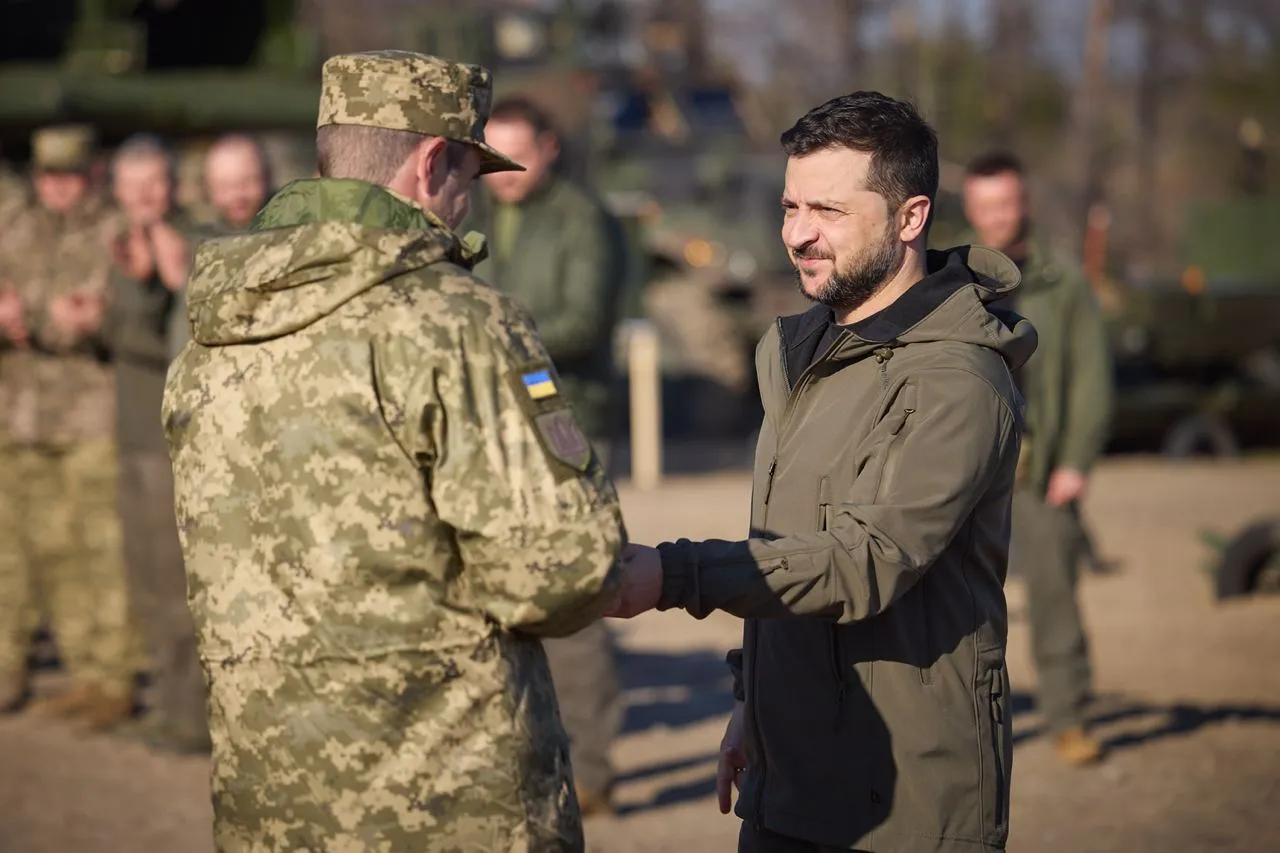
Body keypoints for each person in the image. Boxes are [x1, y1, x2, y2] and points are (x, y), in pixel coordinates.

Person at [162, 50, 625, 851]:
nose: (467, 198)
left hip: (269, 803)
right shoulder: (459, 321)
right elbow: (561, 570)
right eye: (469, 172)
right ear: (431, 160)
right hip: (451, 803)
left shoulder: (211, 331)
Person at [608, 92, 1036, 853]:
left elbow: (862, 562)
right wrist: (754, 696)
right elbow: (787, 539)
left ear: (909, 218)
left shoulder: (957, 381)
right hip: (785, 781)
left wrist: (672, 576)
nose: (797, 234)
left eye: (828, 211)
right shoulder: (792, 352)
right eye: (789, 207)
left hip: (904, 801)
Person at [468, 94, 628, 816]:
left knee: (576, 593)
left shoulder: (582, 219)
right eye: (490, 156)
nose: (502, 170)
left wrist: (491, 339)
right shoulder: (473, 213)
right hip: (490, 427)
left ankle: (591, 769)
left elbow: (585, 319)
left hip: (566, 424)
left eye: (516, 153)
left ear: (551, 145)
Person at [961, 150, 1114, 766]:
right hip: (967, 474)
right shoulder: (950, 277)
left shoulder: (1063, 282)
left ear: (1023, 203)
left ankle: (1069, 716)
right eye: (983, 207)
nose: (995, 218)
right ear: (969, 209)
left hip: (1039, 471)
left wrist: (1075, 460)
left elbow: (1091, 380)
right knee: (958, 608)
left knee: (1054, 596)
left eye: (1005, 204)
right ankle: (966, 726)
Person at [0, 124, 135, 729]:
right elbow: (58, 314)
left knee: (96, 552)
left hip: (87, 416)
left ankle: (108, 678)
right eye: (50, 176)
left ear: (91, 174)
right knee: (23, 552)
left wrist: (23, 314)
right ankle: (30, 670)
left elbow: (93, 318)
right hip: (19, 411)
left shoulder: (111, 229)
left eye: (71, 175)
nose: (60, 187)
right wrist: (45, 313)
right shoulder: (15, 224)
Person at [107, 134, 211, 754]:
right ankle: (170, 707)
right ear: (117, 191)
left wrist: (171, 282)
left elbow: (181, 333)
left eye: (155, 184)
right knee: (147, 581)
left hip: (172, 434)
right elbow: (111, 333)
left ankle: (193, 717)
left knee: (179, 586)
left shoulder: (195, 241)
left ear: (173, 187)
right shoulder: (116, 245)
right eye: (133, 186)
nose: (145, 198)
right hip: (131, 430)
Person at [168, 133, 273, 359]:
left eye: (247, 182)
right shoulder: (203, 247)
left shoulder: (295, 232)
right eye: (225, 186)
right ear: (210, 189)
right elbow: (185, 326)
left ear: (267, 177)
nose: (237, 195)